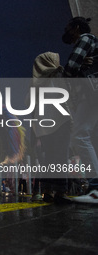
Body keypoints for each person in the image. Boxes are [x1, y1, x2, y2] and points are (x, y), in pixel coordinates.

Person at [62, 17, 98, 203]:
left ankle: (95, 188)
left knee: (80, 135)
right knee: (91, 138)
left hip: (91, 95)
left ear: (76, 28)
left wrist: (74, 69)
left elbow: (70, 68)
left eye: (68, 28)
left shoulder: (86, 38)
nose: (67, 33)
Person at [29, 52, 73, 204]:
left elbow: (31, 105)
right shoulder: (59, 74)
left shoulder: (36, 81)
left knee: (48, 158)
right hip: (61, 121)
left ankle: (47, 191)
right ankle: (60, 192)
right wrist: (71, 118)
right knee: (61, 156)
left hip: (43, 126)